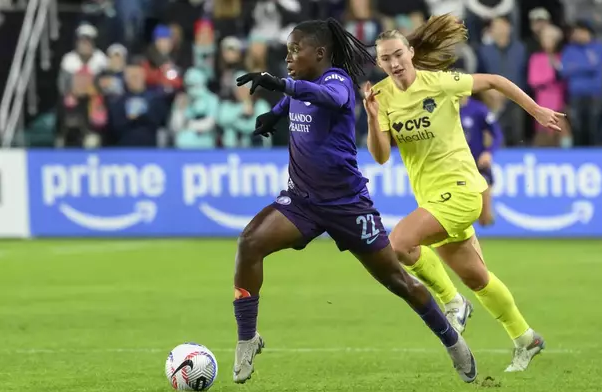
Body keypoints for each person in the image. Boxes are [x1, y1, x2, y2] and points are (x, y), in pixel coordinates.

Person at [232, 18, 477, 385]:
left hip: (348, 206)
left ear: (319, 53)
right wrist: (276, 112)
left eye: (295, 51)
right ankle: (248, 339)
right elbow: (294, 97)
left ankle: (451, 339)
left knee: (397, 281)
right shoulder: (302, 85)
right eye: (286, 52)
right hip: (302, 201)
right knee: (249, 242)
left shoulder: (338, 83)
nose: (288, 58)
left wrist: (282, 85)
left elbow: (325, 97)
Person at [364, 14, 564, 372]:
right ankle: (525, 338)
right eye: (385, 58)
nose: (393, 63)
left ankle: (452, 302)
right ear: (379, 62)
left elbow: (496, 81)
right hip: (431, 200)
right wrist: (371, 116)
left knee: (399, 243)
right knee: (477, 278)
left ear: (410, 52)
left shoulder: (440, 83)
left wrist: (535, 109)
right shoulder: (380, 96)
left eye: (397, 54)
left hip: (463, 190)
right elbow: (380, 157)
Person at [460, 94, 503, 226]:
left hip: (478, 164)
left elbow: (497, 135)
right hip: (456, 167)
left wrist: (488, 153)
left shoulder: (478, 109)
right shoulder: (443, 109)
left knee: (485, 219)